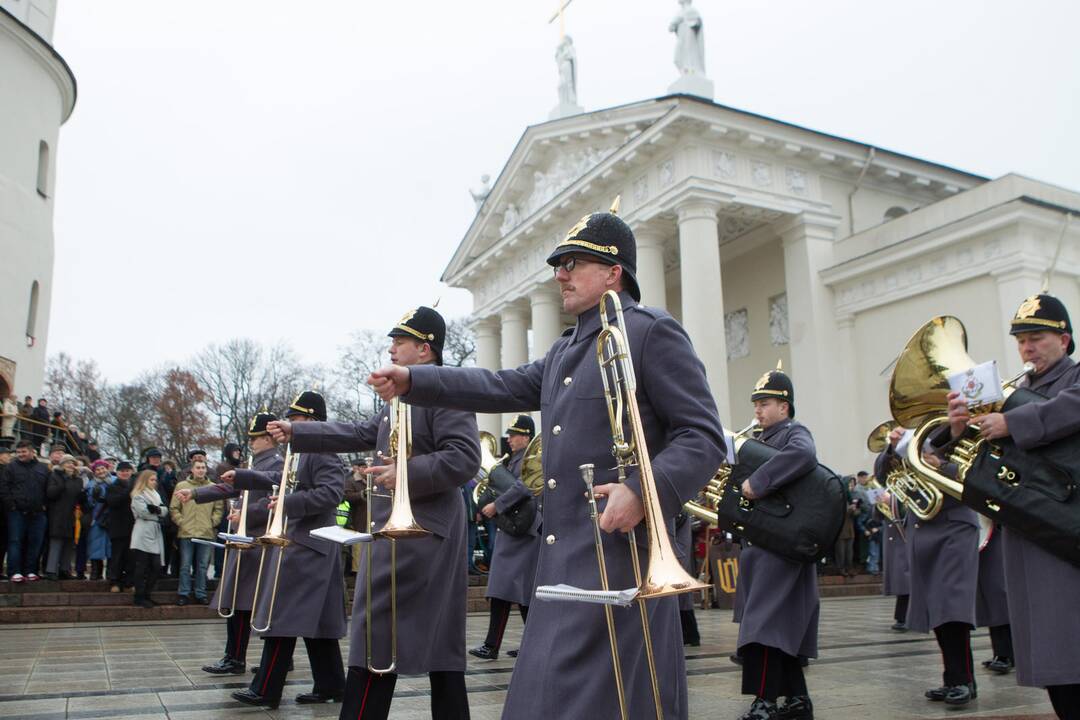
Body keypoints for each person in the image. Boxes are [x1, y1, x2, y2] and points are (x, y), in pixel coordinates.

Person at [367, 206, 726, 720]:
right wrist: (414, 381)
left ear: (614, 271)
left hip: (621, 557)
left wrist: (643, 492)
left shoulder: (651, 332)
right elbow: (500, 384)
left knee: (618, 704)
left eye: (574, 262)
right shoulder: (564, 350)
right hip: (559, 563)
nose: (559, 273)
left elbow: (703, 435)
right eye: (559, 263)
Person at [268, 312, 480, 720]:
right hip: (403, 532)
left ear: (424, 349)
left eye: (399, 341)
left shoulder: (445, 392)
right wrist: (299, 433)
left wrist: (404, 472)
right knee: (436, 648)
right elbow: (363, 432)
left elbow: (464, 458)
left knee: (377, 635)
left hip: (422, 533)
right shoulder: (400, 398)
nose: (390, 348)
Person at [943, 292, 1080, 719]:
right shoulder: (1017, 390)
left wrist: (1011, 421)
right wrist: (959, 429)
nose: (1027, 348)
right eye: (1021, 340)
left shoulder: (1074, 380)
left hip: (1065, 529)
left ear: (1066, 339)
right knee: (1052, 654)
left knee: (1071, 643)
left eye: (1037, 337)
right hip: (1028, 532)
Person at [227, 390, 347, 710]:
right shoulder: (303, 452)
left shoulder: (323, 452)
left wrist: (289, 503)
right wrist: (242, 475)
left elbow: (332, 493)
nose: (290, 424)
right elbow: (276, 477)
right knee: (318, 623)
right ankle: (332, 684)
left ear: (311, 420)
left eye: (295, 419)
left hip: (310, 546)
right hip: (310, 546)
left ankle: (266, 689)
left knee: (282, 619)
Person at [730, 365, 818, 720]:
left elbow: (804, 456)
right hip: (762, 545)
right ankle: (797, 700)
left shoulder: (794, 433)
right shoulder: (763, 440)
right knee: (775, 625)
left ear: (785, 406)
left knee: (764, 627)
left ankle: (764, 702)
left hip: (779, 547)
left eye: (765, 403)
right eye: (756, 403)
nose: (758, 410)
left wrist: (758, 481)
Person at [177, 412, 280, 676]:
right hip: (247, 540)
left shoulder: (277, 464)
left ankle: (249, 658)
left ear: (268, 439)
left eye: (256, 438)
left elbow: (274, 499)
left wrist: (246, 513)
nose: (252, 443)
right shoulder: (256, 462)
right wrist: (197, 493)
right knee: (240, 601)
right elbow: (229, 488)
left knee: (248, 601)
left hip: (258, 541)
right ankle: (238, 656)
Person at [881, 435, 978, 706]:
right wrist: (892, 447)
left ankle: (962, 679)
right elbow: (884, 474)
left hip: (954, 525)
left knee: (952, 605)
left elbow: (977, 473)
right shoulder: (916, 436)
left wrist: (938, 465)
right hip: (923, 527)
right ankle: (955, 678)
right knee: (937, 606)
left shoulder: (958, 431)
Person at [470, 415, 541, 661]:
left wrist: (496, 506)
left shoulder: (532, 459)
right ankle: (529, 645)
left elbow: (524, 487)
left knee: (506, 590)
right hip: (514, 532)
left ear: (527, 436)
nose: (509, 438)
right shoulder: (512, 460)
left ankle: (492, 646)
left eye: (514, 434)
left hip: (522, 533)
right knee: (518, 593)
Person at [169, 459, 224, 605]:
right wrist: (182, 522)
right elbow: (174, 508)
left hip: (206, 532)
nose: (201, 470)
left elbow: (219, 508)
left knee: (202, 566)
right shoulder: (182, 486)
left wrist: (213, 522)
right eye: (198, 467)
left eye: (203, 467)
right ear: (192, 470)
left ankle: (201, 593)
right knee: (185, 565)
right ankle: (184, 593)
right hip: (187, 532)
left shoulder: (213, 487)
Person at [872, 434, 911, 632]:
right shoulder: (888, 471)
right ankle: (903, 616)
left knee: (907, 573)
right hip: (893, 526)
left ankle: (907, 616)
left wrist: (893, 502)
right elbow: (880, 472)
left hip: (906, 526)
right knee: (901, 574)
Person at [1, 440, 49, 582]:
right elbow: (4, 488)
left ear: (32, 451)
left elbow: (48, 488)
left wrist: (44, 505)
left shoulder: (43, 468)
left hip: (38, 512)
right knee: (15, 541)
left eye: (24, 451)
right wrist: (12, 505)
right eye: (18, 452)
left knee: (35, 542)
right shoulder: (10, 468)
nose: (20, 454)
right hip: (17, 512)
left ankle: (31, 570)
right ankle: (14, 571)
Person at [975, 521, 1014, 673]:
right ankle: (1001, 652)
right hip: (985, 531)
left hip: (999, 531)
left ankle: (1006, 654)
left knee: (998, 594)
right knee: (991, 597)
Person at [129, 470, 168, 608]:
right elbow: (143, 513)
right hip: (142, 532)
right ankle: (139, 596)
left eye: (155, 479)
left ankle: (147, 594)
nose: (154, 482)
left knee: (156, 566)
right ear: (145, 480)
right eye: (151, 479)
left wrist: (156, 510)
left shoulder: (156, 494)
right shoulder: (138, 495)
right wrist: (158, 511)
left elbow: (164, 510)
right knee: (142, 566)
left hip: (155, 532)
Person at [44, 454, 84, 579]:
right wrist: (64, 480)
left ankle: (64, 569)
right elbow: (51, 493)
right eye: (67, 462)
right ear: (61, 465)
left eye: (72, 463)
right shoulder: (55, 476)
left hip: (72, 514)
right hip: (57, 514)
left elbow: (79, 496)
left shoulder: (78, 479)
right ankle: (51, 570)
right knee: (56, 542)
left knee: (69, 543)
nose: (70, 465)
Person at [105, 461, 137, 592]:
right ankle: (115, 582)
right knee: (117, 556)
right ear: (117, 473)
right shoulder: (112, 487)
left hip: (133, 526)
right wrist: (128, 491)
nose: (125, 473)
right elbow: (113, 502)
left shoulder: (136, 487)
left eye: (127, 471)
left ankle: (130, 581)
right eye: (122, 471)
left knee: (131, 557)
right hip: (117, 526)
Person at [85, 460, 113, 580]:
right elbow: (89, 503)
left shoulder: (114, 481)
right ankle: (96, 571)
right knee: (96, 544)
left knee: (111, 546)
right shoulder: (91, 484)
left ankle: (111, 572)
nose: (101, 471)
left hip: (112, 518)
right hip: (97, 518)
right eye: (98, 469)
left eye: (103, 468)